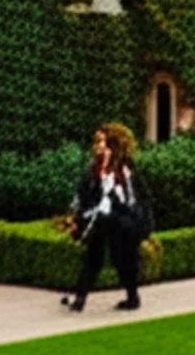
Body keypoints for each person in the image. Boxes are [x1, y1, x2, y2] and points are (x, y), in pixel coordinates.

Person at [62, 122, 152, 312]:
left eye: (103, 141)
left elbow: (136, 198)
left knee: (124, 259)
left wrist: (118, 199)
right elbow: (83, 196)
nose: (99, 145)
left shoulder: (126, 171)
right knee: (92, 258)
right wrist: (78, 219)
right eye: (98, 141)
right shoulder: (93, 171)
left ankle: (132, 296)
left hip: (120, 222)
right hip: (100, 220)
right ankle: (80, 299)